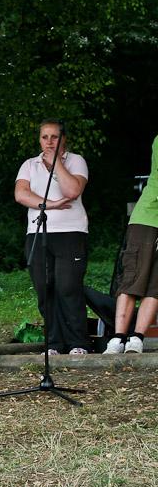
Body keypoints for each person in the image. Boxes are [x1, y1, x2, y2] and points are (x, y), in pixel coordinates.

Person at [15, 119, 91, 355]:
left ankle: (78, 342)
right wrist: (50, 204)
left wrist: (57, 162)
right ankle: (54, 343)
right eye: (44, 137)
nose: (49, 142)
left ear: (63, 139)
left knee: (68, 287)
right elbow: (21, 194)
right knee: (44, 287)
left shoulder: (75, 160)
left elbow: (72, 190)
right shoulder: (30, 164)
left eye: (54, 137)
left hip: (71, 231)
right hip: (38, 231)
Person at [103, 134, 158, 354]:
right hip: (147, 217)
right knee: (132, 277)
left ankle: (137, 338)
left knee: (155, 284)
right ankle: (117, 339)